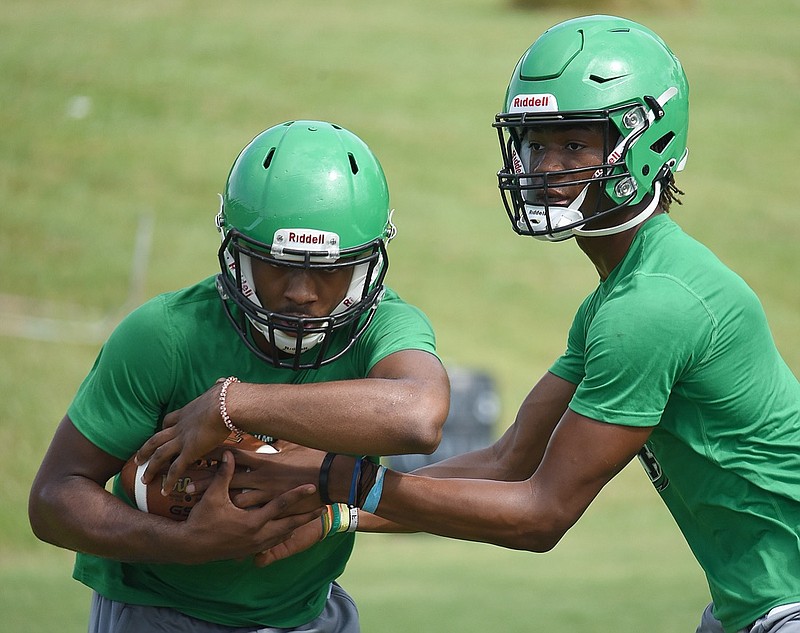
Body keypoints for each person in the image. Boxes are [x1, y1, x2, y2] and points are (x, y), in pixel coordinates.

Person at [197, 16, 800, 633]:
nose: (543, 167)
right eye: (536, 143)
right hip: (753, 602)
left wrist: (342, 478)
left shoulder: (649, 308)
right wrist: (337, 509)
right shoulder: (620, 299)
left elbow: (541, 515)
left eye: (573, 144)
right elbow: (507, 460)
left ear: (646, 143)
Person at [28, 120, 450, 633]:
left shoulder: (385, 326)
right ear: (236, 252)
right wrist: (184, 544)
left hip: (310, 611)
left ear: (365, 267)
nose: (300, 291)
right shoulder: (167, 333)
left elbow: (419, 416)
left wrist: (234, 404)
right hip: (160, 612)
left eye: (328, 267)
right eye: (276, 264)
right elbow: (53, 499)